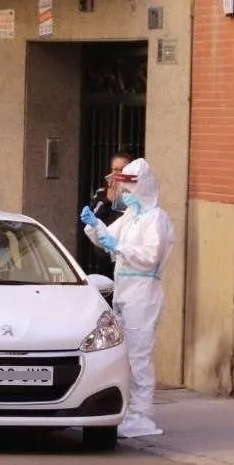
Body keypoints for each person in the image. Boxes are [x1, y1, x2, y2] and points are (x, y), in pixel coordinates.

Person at [79, 157, 175, 439]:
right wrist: (95, 225)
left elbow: (149, 256)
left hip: (143, 295)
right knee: (123, 355)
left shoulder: (157, 218)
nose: (127, 194)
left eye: (131, 187)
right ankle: (128, 411)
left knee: (139, 358)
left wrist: (117, 245)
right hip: (125, 292)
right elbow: (107, 238)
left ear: (143, 186)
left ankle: (142, 415)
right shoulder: (133, 216)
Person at [89, 152, 131, 279]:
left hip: (125, 256)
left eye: (122, 170)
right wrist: (107, 201)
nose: (117, 174)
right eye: (115, 169)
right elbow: (90, 221)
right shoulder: (100, 194)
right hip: (103, 256)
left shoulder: (135, 196)